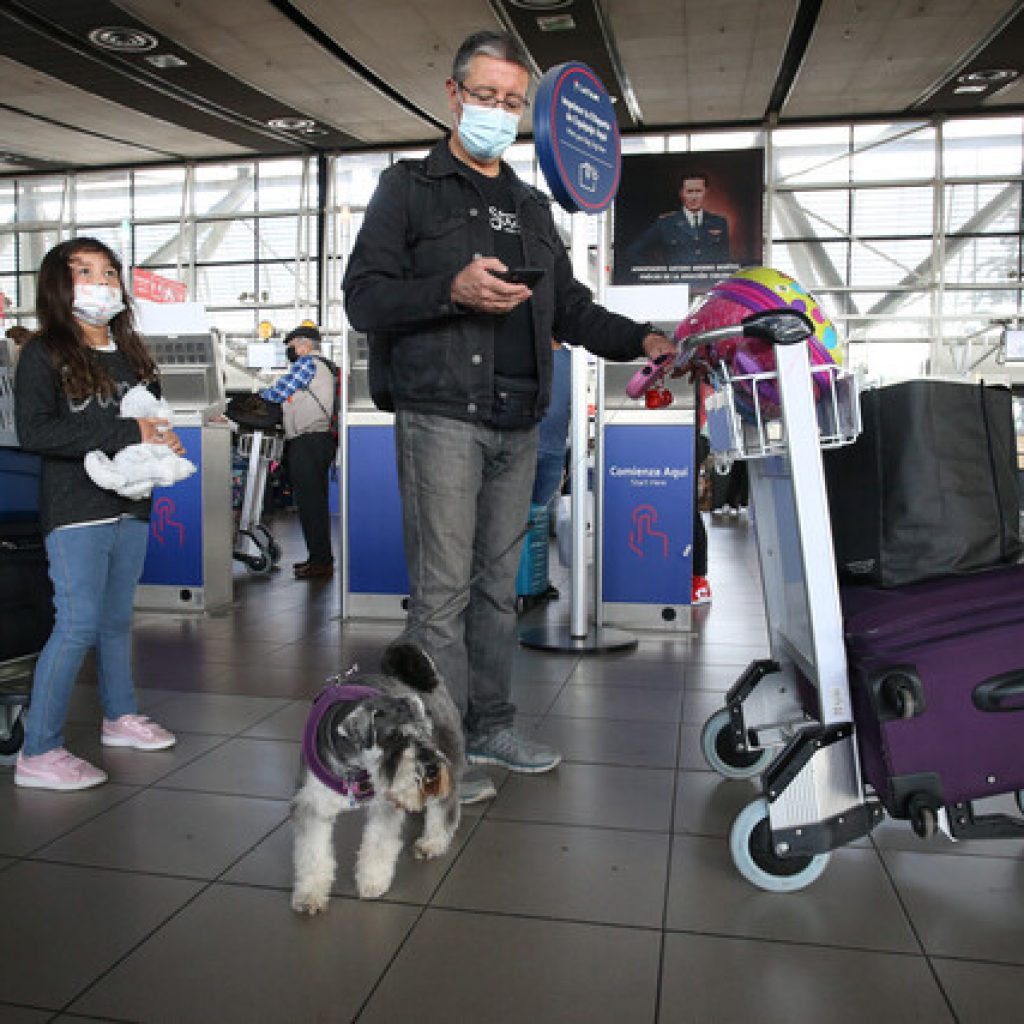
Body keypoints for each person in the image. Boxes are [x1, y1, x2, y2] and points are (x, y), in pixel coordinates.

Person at [343, 29, 677, 804]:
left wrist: (646, 338)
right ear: (454, 96)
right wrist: (448, 290)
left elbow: (575, 308)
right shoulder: (410, 188)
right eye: (484, 96)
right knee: (442, 596)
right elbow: (364, 298)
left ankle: (490, 724)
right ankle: (427, 753)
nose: (497, 111)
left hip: (519, 419)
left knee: (500, 593)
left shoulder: (529, 205)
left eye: (511, 103)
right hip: (441, 416)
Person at [13, 237, 181, 791]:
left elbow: (149, 416)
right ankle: (38, 749)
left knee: (114, 621)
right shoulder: (44, 352)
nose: (100, 282)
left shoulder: (131, 352)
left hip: (130, 503)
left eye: (108, 272)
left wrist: (163, 442)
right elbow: (37, 432)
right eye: (84, 271)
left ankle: (120, 716)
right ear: (59, 284)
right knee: (78, 623)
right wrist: (128, 431)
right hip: (75, 510)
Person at [259, 325, 338, 579]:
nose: (290, 352)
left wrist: (255, 396)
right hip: (319, 440)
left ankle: (320, 562)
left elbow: (278, 392)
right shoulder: (325, 366)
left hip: (309, 440)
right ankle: (319, 558)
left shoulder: (308, 363)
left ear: (304, 344)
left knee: (310, 503)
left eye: (291, 346)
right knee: (314, 502)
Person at [627, 172, 731, 268]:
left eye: (698, 191)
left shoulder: (719, 222)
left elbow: (725, 261)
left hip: (707, 285)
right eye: (689, 192)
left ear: (706, 192)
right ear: (681, 193)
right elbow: (633, 251)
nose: (694, 197)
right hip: (676, 286)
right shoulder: (665, 223)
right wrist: (656, 273)